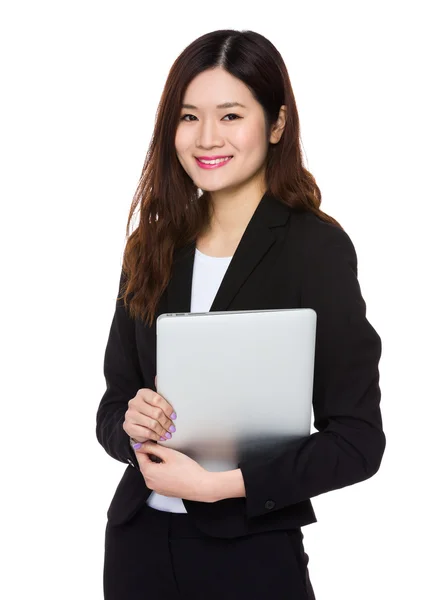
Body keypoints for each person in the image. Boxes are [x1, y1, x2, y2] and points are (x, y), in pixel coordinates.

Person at [96, 29, 385, 600]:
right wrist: (130, 427)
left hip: (248, 555)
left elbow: (357, 440)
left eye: (230, 116)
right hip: (139, 549)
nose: (207, 138)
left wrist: (221, 486)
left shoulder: (315, 249)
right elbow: (111, 409)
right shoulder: (151, 245)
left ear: (276, 124)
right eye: (188, 116)